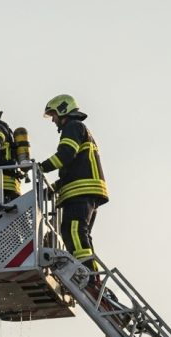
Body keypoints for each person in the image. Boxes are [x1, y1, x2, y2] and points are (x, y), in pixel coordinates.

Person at [38, 94, 109, 274]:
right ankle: (89, 274)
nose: (53, 120)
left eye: (54, 115)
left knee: (74, 232)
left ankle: (88, 276)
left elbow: (66, 154)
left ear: (63, 110)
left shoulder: (73, 126)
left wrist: (41, 167)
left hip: (81, 192)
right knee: (78, 235)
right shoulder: (79, 129)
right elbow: (74, 168)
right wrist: (55, 188)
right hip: (83, 191)